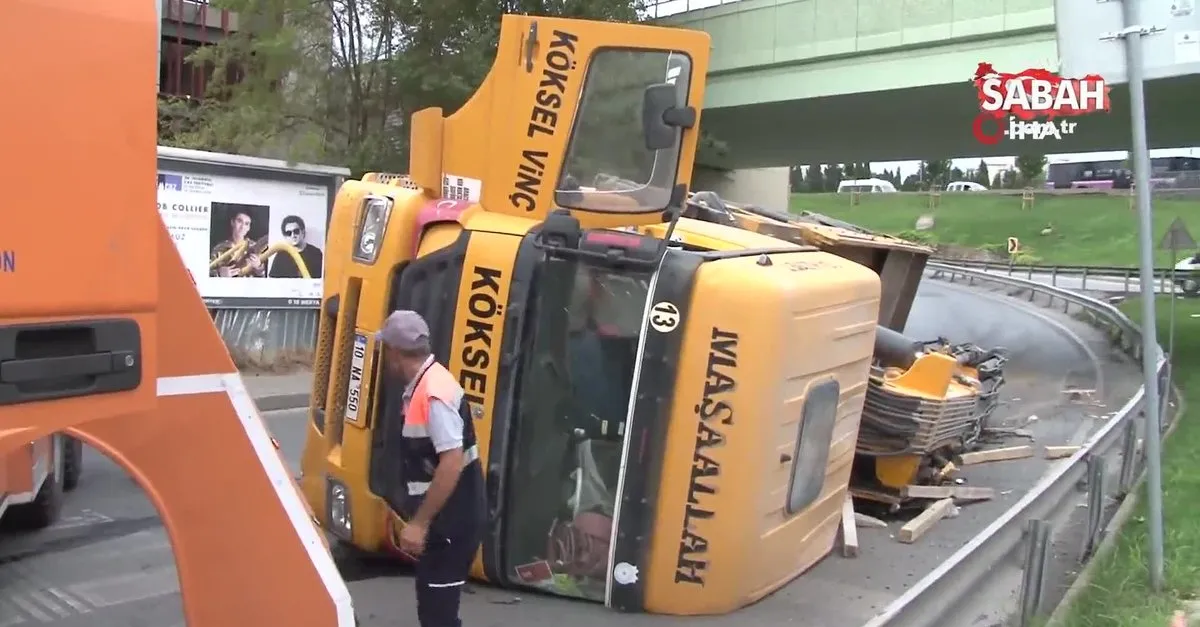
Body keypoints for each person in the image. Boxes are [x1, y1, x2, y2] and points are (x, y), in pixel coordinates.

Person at [377, 310, 485, 627]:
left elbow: (451, 461)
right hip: (448, 521)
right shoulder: (427, 383)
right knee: (436, 614)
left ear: (395, 352)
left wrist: (420, 523)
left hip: (451, 523)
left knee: (438, 616)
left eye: (386, 350)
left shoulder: (434, 392)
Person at [210, 210, 264, 278]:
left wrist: (259, 267)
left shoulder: (256, 247)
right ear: (232, 222)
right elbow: (208, 272)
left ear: (249, 228)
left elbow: (265, 277)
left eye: (246, 224)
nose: (242, 227)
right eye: (239, 221)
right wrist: (218, 274)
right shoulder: (219, 248)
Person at [269, 214, 324, 279]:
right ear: (285, 236)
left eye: (296, 231)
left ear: (303, 232)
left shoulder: (316, 253)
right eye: (289, 233)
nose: (293, 235)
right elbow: (273, 281)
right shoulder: (281, 255)